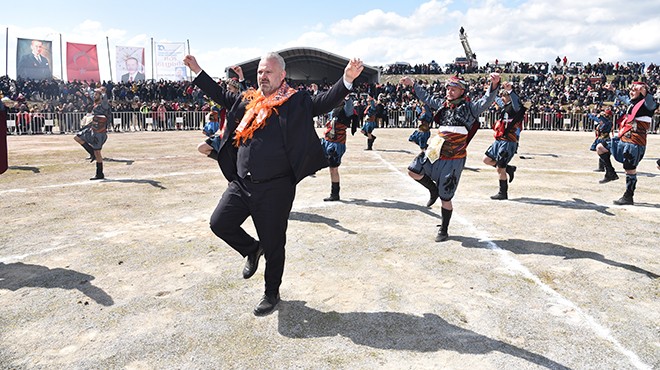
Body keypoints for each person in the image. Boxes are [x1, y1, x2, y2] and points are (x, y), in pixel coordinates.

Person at [183, 52, 363, 315]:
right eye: (259, 72)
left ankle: (271, 292)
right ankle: (252, 249)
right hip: (242, 183)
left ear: (281, 75)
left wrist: (347, 79)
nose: (262, 77)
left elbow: (323, 102)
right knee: (219, 223)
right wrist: (198, 70)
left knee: (275, 244)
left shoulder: (295, 100)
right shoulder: (249, 100)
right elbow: (223, 96)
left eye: (267, 72)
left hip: (275, 188)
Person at [400, 74, 500, 241]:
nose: (450, 92)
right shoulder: (442, 105)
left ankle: (444, 230)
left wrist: (494, 84)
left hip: (454, 157)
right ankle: (432, 189)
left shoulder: (470, 108)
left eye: (454, 89)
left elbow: (486, 101)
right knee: (413, 170)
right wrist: (413, 84)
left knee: (446, 196)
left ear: (462, 91)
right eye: (448, 89)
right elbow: (426, 97)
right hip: (435, 151)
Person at [598, 82, 658, 205]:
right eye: (630, 89)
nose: (631, 92)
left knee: (629, 170)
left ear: (641, 91)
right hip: (623, 138)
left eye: (634, 90)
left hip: (635, 142)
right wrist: (613, 89)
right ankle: (610, 173)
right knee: (600, 148)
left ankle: (628, 196)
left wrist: (645, 91)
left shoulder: (647, 105)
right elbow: (623, 97)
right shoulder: (632, 103)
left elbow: (652, 102)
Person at [482, 81, 525, 200]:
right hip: (499, 139)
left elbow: (516, 102)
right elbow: (497, 100)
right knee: (486, 159)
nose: (502, 98)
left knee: (500, 168)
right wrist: (489, 89)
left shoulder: (516, 108)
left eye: (504, 95)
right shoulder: (505, 106)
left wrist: (510, 90)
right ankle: (509, 168)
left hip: (508, 141)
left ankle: (503, 192)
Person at [320, 97, 356, 201]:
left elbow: (349, 104)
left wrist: (347, 96)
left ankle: (335, 194)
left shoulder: (346, 109)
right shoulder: (334, 108)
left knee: (333, 169)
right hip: (328, 140)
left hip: (337, 143)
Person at [74, 87, 112, 180]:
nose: (94, 95)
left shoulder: (104, 105)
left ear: (101, 96)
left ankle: (99, 174)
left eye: (96, 94)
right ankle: (92, 153)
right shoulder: (95, 104)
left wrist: (104, 93)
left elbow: (105, 101)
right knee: (77, 137)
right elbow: (89, 97)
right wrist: (82, 93)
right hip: (92, 129)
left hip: (99, 132)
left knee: (98, 152)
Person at [406, 104, 435, 206]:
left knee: (423, 146)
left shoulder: (427, 114)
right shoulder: (423, 112)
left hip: (424, 130)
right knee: (412, 139)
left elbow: (424, 115)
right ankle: (426, 150)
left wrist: (423, 106)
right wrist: (418, 107)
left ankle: (426, 151)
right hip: (420, 130)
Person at [587, 108, 614, 173]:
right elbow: (595, 118)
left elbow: (605, 121)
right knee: (601, 153)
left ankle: (603, 167)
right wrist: (588, 115)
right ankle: (602, 167)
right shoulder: (602, 121)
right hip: (600, 138)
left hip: (605, 139)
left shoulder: (609, 122)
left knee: (605, 153)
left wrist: (601, 116)